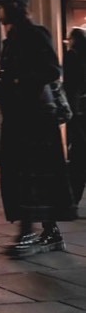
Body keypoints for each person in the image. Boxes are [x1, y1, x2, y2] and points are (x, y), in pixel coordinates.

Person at [0, 0, 76, 256]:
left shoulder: (35, 34)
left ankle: (28, 234)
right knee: (24, 175)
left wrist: (19, 83)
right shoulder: (10, 41)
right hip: (19, 118)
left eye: (0, 7)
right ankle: (50, 233)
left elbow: (52, 70)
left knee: (31, 175)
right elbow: (8, 76)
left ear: (14, 7)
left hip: (36, 121)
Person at [63, 28, 86, 209]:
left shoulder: (71, 56)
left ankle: (73, 200)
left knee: (78, 156)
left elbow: (69, 84)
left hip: (78, 112)